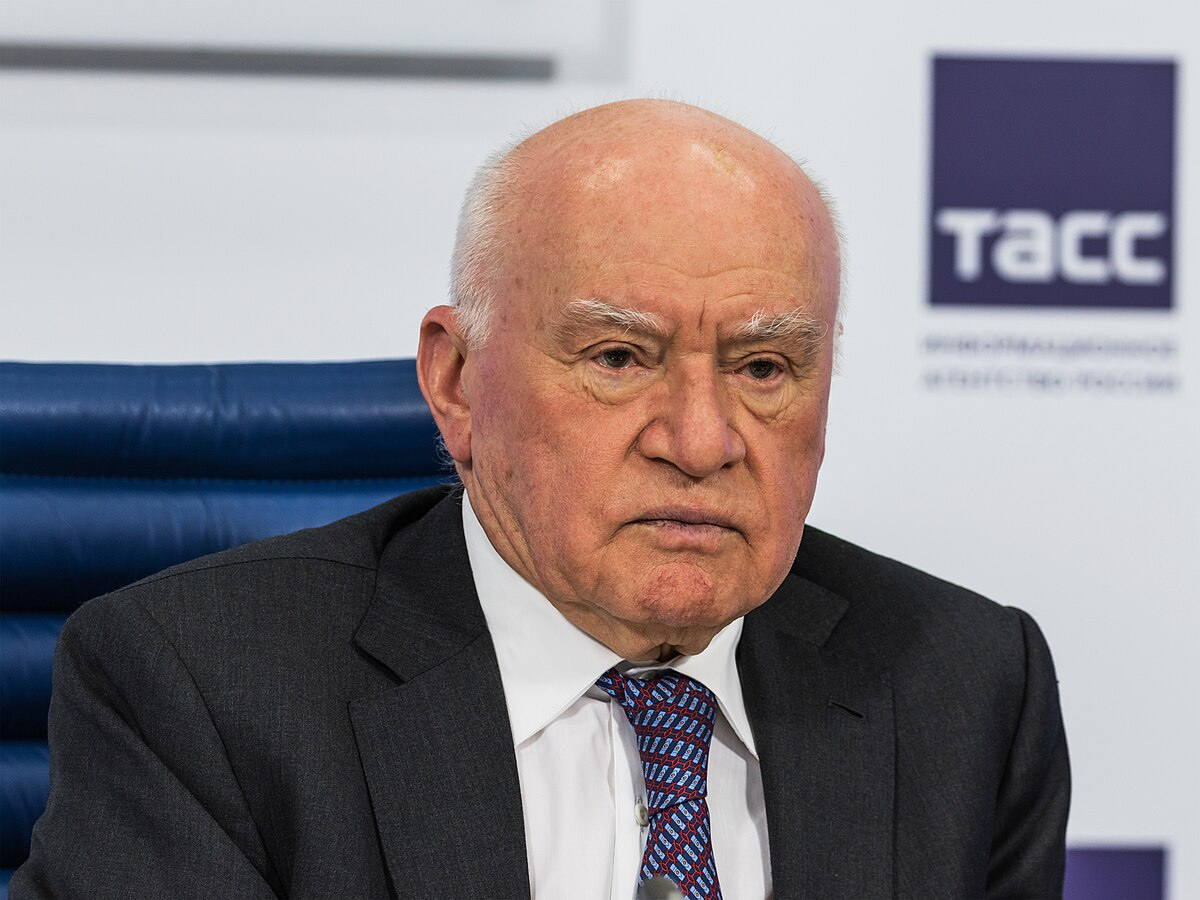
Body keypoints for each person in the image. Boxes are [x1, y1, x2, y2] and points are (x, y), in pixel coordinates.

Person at [12, 100, 1069, 899]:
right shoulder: (201, 688)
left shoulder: (965, 685)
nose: (700, 442)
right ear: (456, 382)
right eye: (619, 357)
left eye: (763, 369)